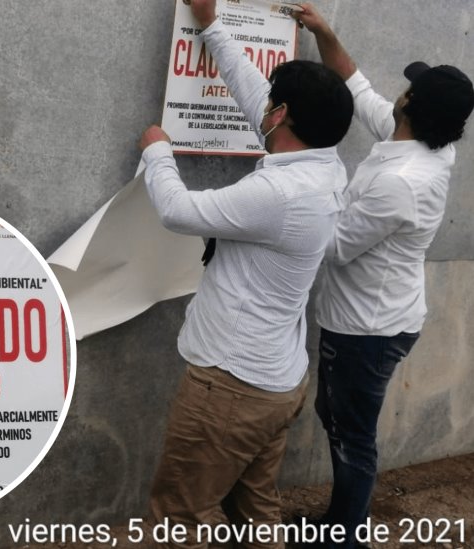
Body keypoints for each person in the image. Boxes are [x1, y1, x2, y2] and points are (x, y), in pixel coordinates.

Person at [138, 0, 354, 546]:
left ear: (281, 117)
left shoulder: (278, 193)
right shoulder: (325, 164)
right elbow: (257, 94)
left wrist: (158, 153)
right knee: (256, 510)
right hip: (276, 383)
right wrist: (211, 24)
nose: (266, 105)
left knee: (178, 514)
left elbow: (178, 212)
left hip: (229, 390)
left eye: (274, 104)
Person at [292, 4, 474, 548]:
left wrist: (303, 181)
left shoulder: (402, 180)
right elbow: (356, 84)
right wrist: (324, 31)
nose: (400, 88)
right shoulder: (423, 144)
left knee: (352, 438)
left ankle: (344, 536)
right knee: (338, 415)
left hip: (366, 329)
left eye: (410, 86)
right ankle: (341, 523)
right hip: (381, 317)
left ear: (412, 105)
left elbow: (335, 247)